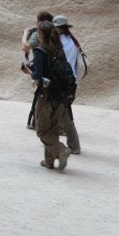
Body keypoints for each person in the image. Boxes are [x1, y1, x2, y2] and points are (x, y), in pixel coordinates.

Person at [30, 20, 74, 171]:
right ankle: (49, 161)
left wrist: (28, 71)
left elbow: (37, 76)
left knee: (42, 130)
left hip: (46, 95)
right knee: (53, 129)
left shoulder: (39, 51)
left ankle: (61, 150)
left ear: (42, 34)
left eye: (38, 32)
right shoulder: (58, 49)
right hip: (61, 95)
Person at [53, 15, 84, 155]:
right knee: (63, 112)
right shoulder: (72, 40)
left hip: (62, 81)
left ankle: (73, 145)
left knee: (63, 113)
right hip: (71, 81)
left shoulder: (58, 42)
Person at [22, 11, 54, 130]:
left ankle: (38, 122)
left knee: (42, 97)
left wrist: (25, 34)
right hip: (56, 74)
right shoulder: (57, 38)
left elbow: (37, 75)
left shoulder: (40, 49)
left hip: (45, 76)